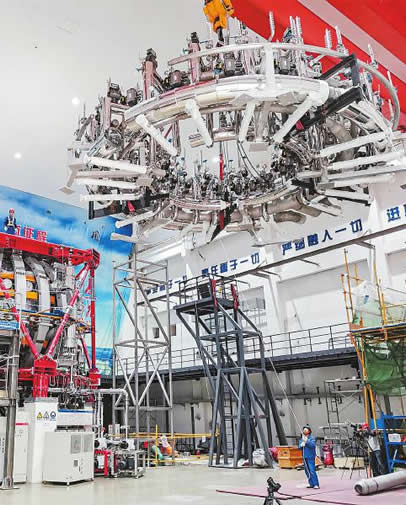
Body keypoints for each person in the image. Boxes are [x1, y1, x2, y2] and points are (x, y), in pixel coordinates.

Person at [299, 425, 320, 489]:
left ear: (309, 431)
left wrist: (307, 441)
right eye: (304, 430)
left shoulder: (312, 438)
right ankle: (311, 483)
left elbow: (312, 445)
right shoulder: (302, 439)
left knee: (312, 470)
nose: (304, 431)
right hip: (304, 456)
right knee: (307, 471)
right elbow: (299, 447)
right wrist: (301, 445)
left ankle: (316, 484)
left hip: (310, 456)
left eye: (306, 430)